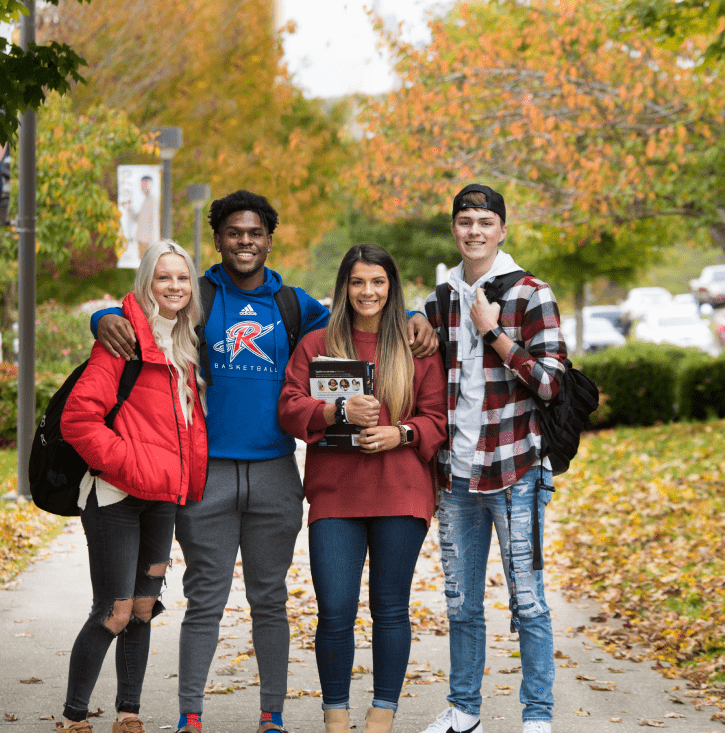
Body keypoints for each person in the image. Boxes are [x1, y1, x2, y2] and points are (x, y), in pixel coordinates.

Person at [89, 190, 439, 733]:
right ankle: (190, 717)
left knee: (269, 599)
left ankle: (271, 717)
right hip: (207, 472)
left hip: (276, 471)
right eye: (235, 232)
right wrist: (103, 317)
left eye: (256, 233)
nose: (245, 241)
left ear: (270, 240)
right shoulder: (200, 295)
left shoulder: (294, 305)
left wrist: (414, 314)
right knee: (205, 599)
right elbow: (145, 309)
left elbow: (366, 309)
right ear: (220, 239)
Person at [278, 244, 448, 733]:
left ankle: (382, 713)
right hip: (336, 492)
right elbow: (288, 407)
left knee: (390, 606)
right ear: (343, 287)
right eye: (357, 282)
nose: (367, 292)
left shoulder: (415, 347)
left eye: (377, 282)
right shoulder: (318, 343)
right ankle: (335, 715)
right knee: (334, 607)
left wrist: (403, 432)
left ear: (391, 287)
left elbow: (438, 417)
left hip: (400, 490)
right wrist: (335, 412)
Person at [421, 185, 566, 733]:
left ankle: (537, 717)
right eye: (465, 221)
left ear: (502, 230)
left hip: (516, 473)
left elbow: (552, 383)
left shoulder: (531, 293)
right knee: (461, 603)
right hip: (456, 476)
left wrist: (495, 334)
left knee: (527, 602)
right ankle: (464, 710)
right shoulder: (441, 297)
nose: (474, 231)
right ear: (454, 229)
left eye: (485, 222)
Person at [57, 240, 209, 733]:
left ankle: (129, 715)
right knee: (114, 610)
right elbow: (78, 419)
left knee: (143, 609)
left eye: (183, 278)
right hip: (116, 498)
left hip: (161, 500)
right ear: (147, 282)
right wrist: (132, 465)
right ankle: (73, 717)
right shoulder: (120, 341)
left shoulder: (185, 345)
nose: (175, 287)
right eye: (164, 277)